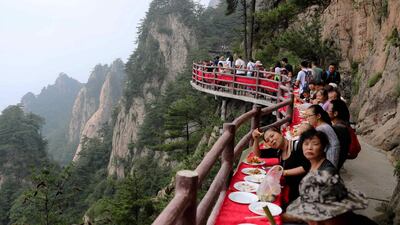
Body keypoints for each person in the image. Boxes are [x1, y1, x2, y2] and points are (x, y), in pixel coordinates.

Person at [285, 130, 372, 225]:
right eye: (306, 144)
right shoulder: (314, 165)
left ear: (324, 147)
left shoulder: (327, 172)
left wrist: (285, 217)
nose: (309, 148)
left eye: (315, 144)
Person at [252, 127, 310, 205]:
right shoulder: (279, 151)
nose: (271, 140)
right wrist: (256, 139)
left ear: (281, 133)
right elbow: (258, 154)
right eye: (268, 140)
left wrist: (283, 172)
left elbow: (307, 167)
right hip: (295, 192)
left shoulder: (297, 145)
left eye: (272, 136)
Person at [328, 99, 351, 169]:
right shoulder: (343, 125)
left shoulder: (338, 129)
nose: (326, 112)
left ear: (335, 113)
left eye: (328, 110)